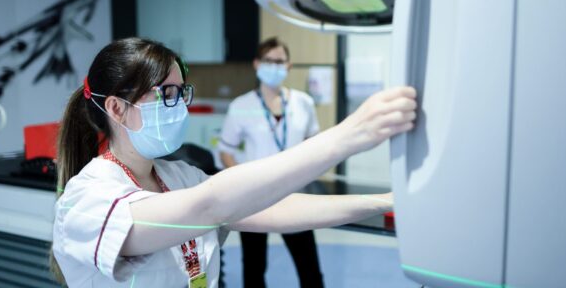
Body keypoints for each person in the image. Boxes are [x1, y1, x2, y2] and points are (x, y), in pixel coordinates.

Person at [50, 38, 417, 288]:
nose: (179, 106)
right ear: (116, 107)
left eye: (181, 93)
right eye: (167, 94)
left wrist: (385, 202)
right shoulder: (87, 198)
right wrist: (348, 136)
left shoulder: (177, 175)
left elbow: (275, 206)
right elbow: (211, 204)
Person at [218, 37, 324, 287]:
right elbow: (225, 151)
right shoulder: (241, 106)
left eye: (280, 61)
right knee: (254, 269)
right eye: (268, 61)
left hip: (294, 195)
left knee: (309, 268)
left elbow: (314, 144)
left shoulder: (303, 103)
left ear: (289, 66)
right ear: (257, 64)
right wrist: (244, 184)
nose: (274, 66)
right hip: (254, 199)